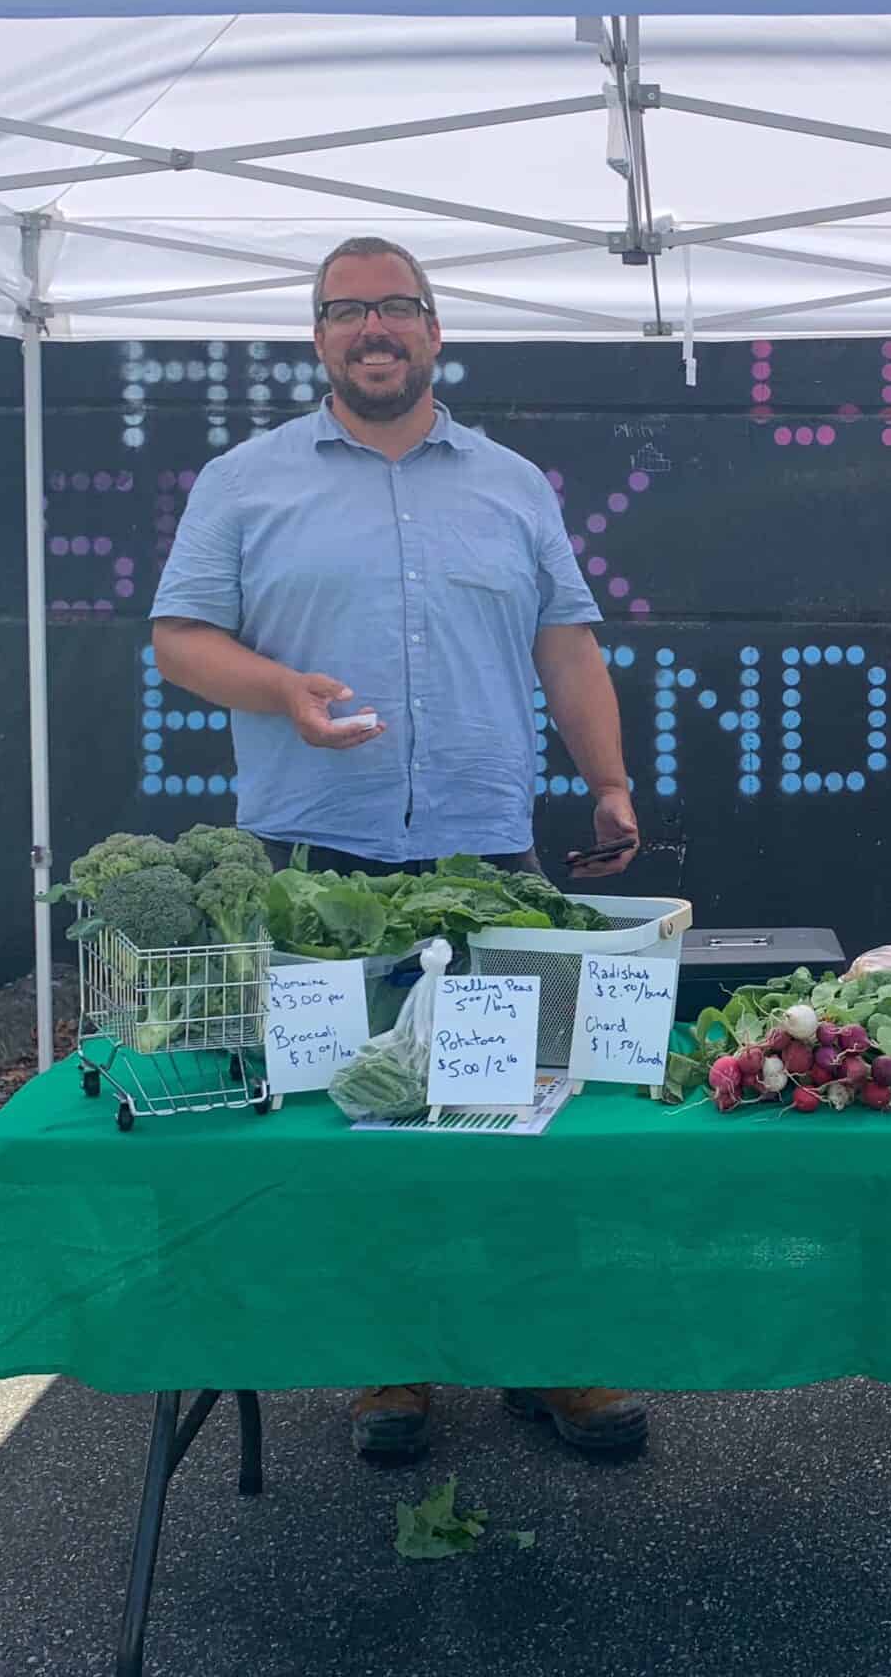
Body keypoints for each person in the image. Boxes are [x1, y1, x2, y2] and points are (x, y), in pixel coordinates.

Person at [148, 234, 649, 1460]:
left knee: (531, 1111)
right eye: (346, 311)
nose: (374, 329)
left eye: (397, 309)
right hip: (315, 865)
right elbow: (179, 639)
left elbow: (567, 647)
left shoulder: (513, 482)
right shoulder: (241, 480)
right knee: (351, 1121)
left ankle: (552, 1356)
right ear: (316, 337)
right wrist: (279, 690)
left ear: (436, 330)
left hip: (490, 856)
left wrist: (610, 782)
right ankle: (391, 1363)